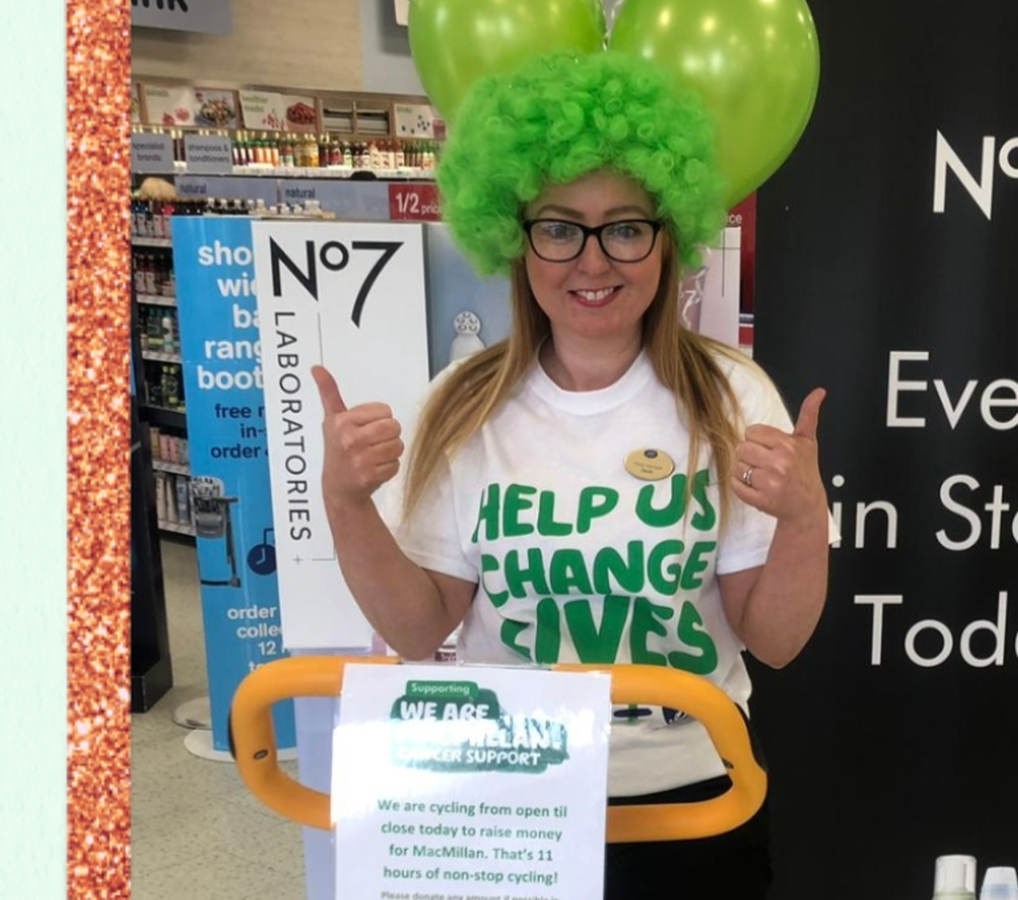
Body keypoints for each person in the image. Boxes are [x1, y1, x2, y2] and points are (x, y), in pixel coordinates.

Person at [313, 51, 831, 900]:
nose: (593, 262)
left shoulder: (731, 396)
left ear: (667, 238)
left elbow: (773, 640)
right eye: (559, 228)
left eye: (624, 227)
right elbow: (418, 627)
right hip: (513, 798)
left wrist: (805, 521)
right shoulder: (463, 402)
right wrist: (344, 502)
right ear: (516, 239)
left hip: (693, 801)